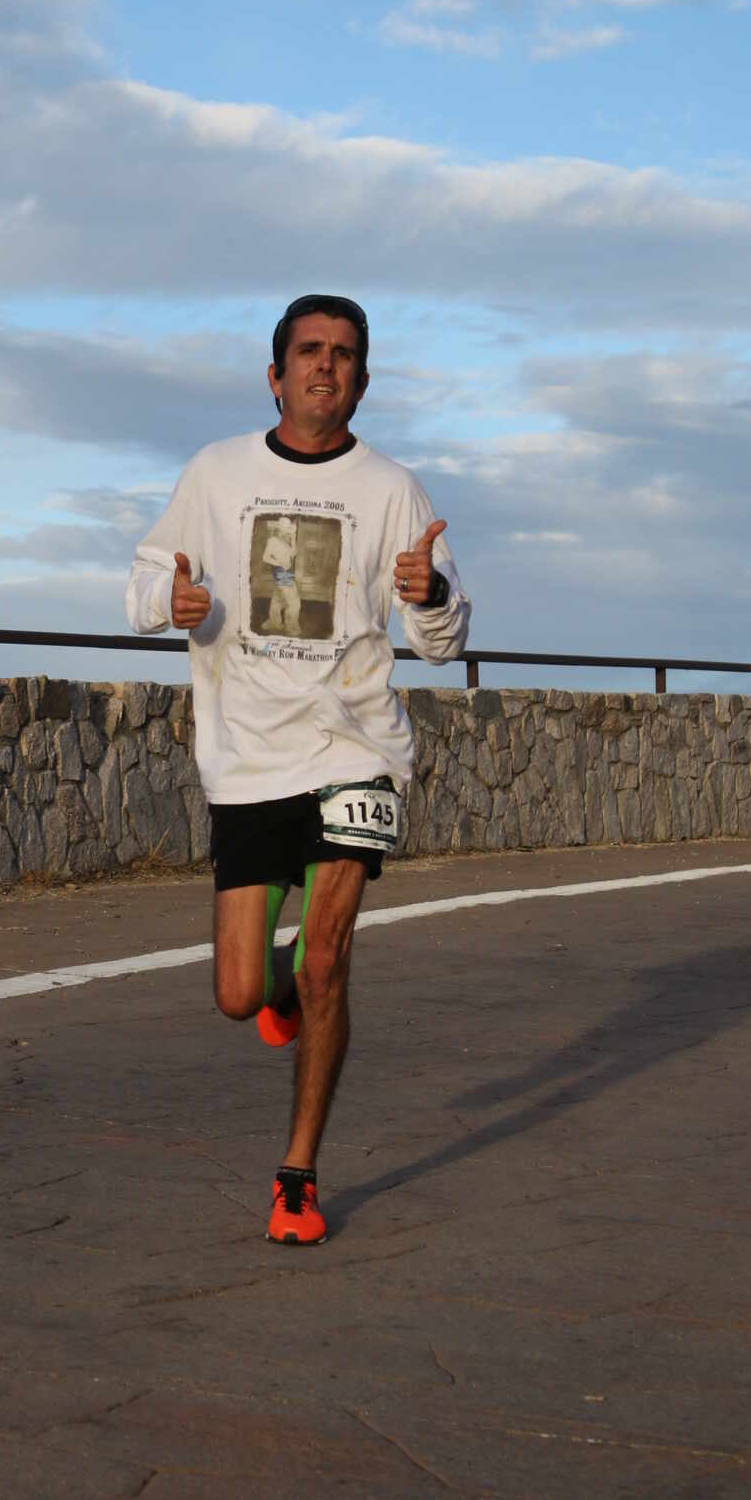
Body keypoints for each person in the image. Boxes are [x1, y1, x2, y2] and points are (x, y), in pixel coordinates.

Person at [125, 295, 470, 1246]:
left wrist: (431, 593)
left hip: (356, 750)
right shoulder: (216, 472)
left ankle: (297, 1175)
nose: (326, 365)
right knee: (240, 994)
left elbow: (441, 640)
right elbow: (143, 578)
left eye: (344, 354)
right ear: (274, 376)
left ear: (363, 380)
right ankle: (274, 989)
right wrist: (168, 598)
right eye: (309, 351)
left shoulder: (393, 490)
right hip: (247, 755)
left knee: (326, 961)